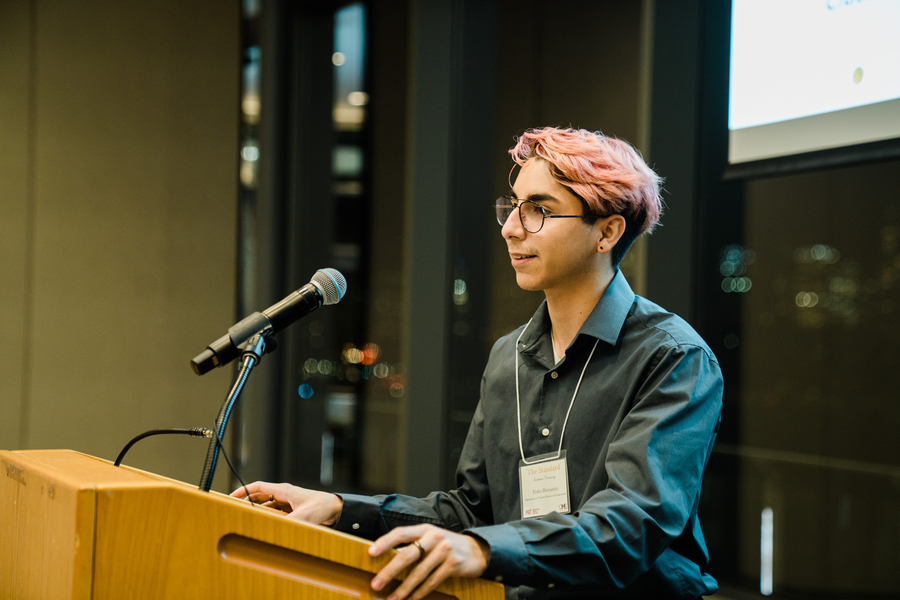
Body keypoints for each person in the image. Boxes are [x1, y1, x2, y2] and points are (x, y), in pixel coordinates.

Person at [232, 127, 723, 600]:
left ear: (608, 231)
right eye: (512, 208)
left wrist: (481, 548)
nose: (511, 228)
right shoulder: (509, 355)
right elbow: (469, 511)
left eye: (539, 210)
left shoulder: (673, 357)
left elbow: (631, 525)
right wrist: (340, 510)